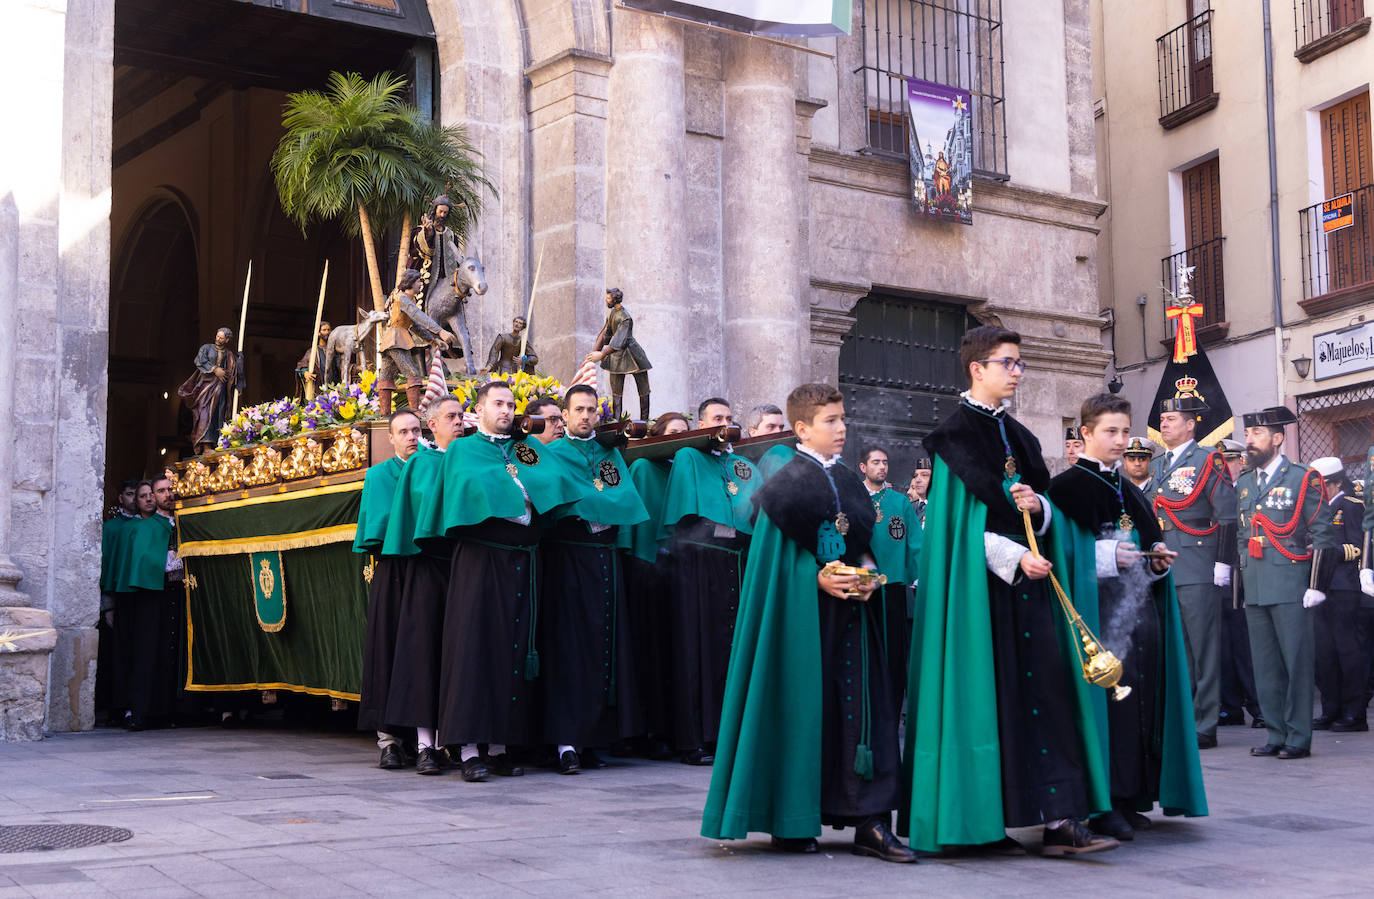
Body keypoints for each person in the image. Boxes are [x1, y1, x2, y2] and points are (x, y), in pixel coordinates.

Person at [901, 325, 1115, 857]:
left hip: (1033, 590)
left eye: (1020, 364)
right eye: (1008, 363)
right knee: (987, 702)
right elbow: (952, 533)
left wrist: (1039, 512)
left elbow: (1049, 509)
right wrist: (1013, 554)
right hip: (979, 598)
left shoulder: (1021, 437)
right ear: (977, 368)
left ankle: (1061, 818)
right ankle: (979, 822)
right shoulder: (952, 439)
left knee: (1050, 695)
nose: (1017, 372)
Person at [702, 383, 916, 863]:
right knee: (801, 710)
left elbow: (860, 540)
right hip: (801, 619)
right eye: (830, 421)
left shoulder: (849, 478)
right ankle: (791, 819)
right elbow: (773, 562)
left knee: (865, 713)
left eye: (843, 419)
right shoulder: (785, 480)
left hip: (854, 619)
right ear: (802, 429)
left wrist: (866, 574)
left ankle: (871, 820)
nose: (842, 429)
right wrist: (816, 580)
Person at [1048, 393, 1205, 843]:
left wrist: (1155, 558)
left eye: (1124, 430)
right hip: (1097, 615)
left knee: (1139, 703)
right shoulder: (1066, 489)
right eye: (1110, 432)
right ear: (1085, 435)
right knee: (1110, 706)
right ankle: (1102, 802)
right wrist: (1109, 556)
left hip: (1137, 613)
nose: (1121, 441)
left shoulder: (1128, 488)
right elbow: (1063, 554)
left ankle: (1131, 794)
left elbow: (1147, 539)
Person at [417, 380, 577, 780]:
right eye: (498, 404)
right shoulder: (464, 450)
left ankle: (502, 746)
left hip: (524, 559)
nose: (506, 411)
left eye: (510, 404)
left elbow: (555, 486)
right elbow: (462, 495)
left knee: (514, 649)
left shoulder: (528, 449)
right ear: (481, 409)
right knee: (475, 649)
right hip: (481, 559)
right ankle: (469, 749)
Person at [539, 385, 650, 771]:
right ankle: (565, 742)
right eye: (579, 410)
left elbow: (622, 500)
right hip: (568, 561)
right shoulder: (551, 455)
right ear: (565, 416)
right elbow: (551, 505)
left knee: (604, 647)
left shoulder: (609, 455)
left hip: (605, 561)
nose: (586, 416)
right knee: (569, 649)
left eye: (591, 410)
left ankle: (593, 739)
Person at [659, 396, 760, 765]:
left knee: (730, 652)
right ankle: (694, 739)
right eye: (717, 418)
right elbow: (684, 518)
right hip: (699, 566)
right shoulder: (689, 457)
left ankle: (727, 736)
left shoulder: (743, 466)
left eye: (730, 418)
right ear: (702, 424)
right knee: (697, 649)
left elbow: (754, 513)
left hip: (735, 564)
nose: (725, 423)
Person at [1236, 407, 1337, 760]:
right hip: (1258, 584)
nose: (1250, 440)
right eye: (1248, 434)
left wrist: (1316, 583)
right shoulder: (1246, 482)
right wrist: (1242, 585)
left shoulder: (1302, 478)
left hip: (1292, 582)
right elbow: (1240, 534)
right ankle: (1275, 733)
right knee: (1265, 665)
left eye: (1257, 434)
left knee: (1295, 662)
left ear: (1277, 439)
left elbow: (1324, 532)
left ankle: (1298, 737)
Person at [1148, 395, 1237, 750]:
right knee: (1178, 649)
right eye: (1163, 418)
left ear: (1190, 424)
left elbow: (1227, 515)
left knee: (1203, 649)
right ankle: (1185, 718)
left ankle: (1206, 722)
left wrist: (1222, 562)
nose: (1164, 424)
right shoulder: (1158, 465)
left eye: (1171, 418)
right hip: (1167, 564)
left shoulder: (1206, 459)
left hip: (1198, 564)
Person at [618, 411, 690, 759]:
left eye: (685, 435)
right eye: (673, 433)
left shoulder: (686, 472)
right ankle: (646, 730)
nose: (679, 439)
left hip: (678, 571)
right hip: (647, 568)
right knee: (648, 650)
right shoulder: (645, 469)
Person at [354, 409, 423, 771]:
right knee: (387, 648)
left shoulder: (432, 467)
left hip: (426, 571)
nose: (411, 437)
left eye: (416, 430)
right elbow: (378, 529)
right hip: (394, 570)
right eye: (404, 432)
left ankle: (424, 738)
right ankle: (389, 741)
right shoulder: (380, 475)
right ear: (391, 438)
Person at [106, 479, 179, 730]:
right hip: (150, 596)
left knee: (169, 654)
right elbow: (140, 562)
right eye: (161, 491)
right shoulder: (143, 528)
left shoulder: (181, 524)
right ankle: (140, 711)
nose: (166, 495)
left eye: (170, 489)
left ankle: (167, 711)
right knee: (146, 654)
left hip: (176, 596)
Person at [857, 446, 922, 713]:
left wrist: (918, 578)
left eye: (885, 462)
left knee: (894, 656)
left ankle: (892, 710)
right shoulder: (853, 498)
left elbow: (916, 544)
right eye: (875, 462)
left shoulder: (900, 502)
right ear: (863, 467)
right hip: (861, 589)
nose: (882, 467)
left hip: (894, 587)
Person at [1309, 457, 1368, 732]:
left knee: (1347, 651)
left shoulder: (1350, 506)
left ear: (1332, 484)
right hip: (1319, 587)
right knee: (1325, 652)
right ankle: (1331, 710)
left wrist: (1325, 551)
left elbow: (1358, 547)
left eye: (1320, 485)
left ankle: (1354, 714)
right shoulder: (1317, 509)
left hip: (1344, 586)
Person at [586, 288, 653, 421]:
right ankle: (617, 422)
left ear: (615, 299)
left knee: (643, 389)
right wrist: (595, 351)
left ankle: (644, 421)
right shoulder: (612, 314)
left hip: (632, 354)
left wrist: (601, 354)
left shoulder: (625, 317)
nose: (606, 300)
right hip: (616, 356)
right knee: (616, 392)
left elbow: (619, 340)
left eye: (609, 298)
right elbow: (605, 333)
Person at [178, 326, 245, 455]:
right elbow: (200, 360)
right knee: (205, 413)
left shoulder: (228, 354)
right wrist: (215, 369)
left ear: (226, 340)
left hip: (221, 390)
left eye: (221, 338)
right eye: (217, 336)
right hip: (205, 388)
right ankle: (206, 444)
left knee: (219, 415)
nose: (218, 339)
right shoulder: (206, 348)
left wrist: (240, 361)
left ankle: (218, 442)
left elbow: (234, 371)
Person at [296, 320, 333, 391]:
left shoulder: (334, 351)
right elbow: (302, 366)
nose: (327, 332)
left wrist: (354, 368)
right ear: (318, 333)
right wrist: (305, 372)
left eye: (328, 330)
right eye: (324, 330)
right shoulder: (312, 352)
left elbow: (341, 365)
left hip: (333, 389)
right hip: (318, 390)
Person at [906, 458, 932, 525]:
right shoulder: (908, 508)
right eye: (915, 475)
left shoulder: (939, 508)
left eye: (924, 475)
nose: (917, 480)